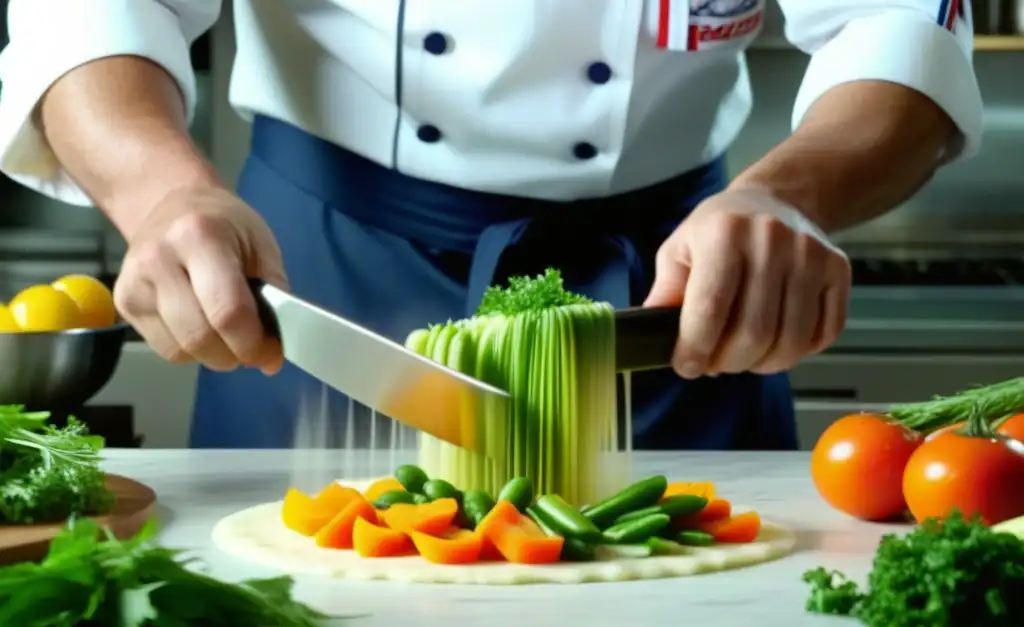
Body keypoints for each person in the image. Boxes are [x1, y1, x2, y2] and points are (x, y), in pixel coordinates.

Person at [0, 0, 983, 451]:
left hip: (674, 298)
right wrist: (163, 195)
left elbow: (896, 24)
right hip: (319, 287)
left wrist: (788, 196)